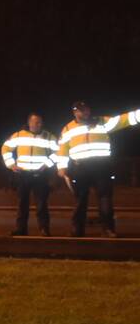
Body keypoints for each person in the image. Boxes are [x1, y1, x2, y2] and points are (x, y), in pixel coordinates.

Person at [55, 100, 139, 237]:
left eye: (86, 109)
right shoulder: (68, 129)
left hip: (102, 167)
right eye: (81, 110)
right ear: (75, 112)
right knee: (80, 199)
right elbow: (62, 149)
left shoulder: (102, 122)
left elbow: (124, 120)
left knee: (105, 198)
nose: (85, 112)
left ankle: (108, 229)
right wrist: (61, 167)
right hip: (80, 168)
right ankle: (77, 229)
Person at [0, 113, 58, 236]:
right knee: (22, 204)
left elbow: (58, 152)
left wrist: (47, 164)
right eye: (36, 122)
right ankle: (21, 229)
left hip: (40, 174)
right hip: (23, 174)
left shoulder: (49, 137)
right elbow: (5, 148)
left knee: (41, 203)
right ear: (29, 123)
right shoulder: (19, 135)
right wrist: (11, 164)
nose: (39, 125)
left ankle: (44, 229)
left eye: (40, 122)